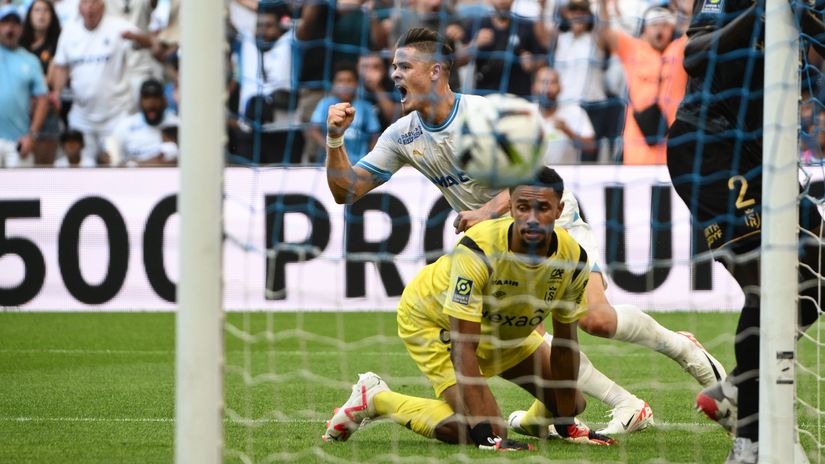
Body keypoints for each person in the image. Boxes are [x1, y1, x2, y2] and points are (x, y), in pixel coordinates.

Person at [325, 27, 723, 435]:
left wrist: (487, 209)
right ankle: (601, 410)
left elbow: (533, 173)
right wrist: (335, 139)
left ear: (435, 72)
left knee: (596, 320)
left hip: (550, 221)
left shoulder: (482, 115)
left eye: (404, 66)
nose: (394, 74)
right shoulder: (403, 135)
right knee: (533, 340)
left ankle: (682, 350)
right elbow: (347, 191)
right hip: (500, 247)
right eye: (393, 66)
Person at [323, 167, 615, 448]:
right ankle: (376, 398)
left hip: (503, 328)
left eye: (543, 208)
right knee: (483, 430)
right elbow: (463, 346)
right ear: (511, 208)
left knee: (571, 403)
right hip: (434, 320)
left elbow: (566, 344)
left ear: (559, 210)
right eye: (523, 207)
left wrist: (567, 423)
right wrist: (486, 434)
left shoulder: (573, 260)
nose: (532, 219)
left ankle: (529, 423)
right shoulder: (479, 250)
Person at [667, 2, 824, 462]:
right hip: (709, 144)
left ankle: (735, 389)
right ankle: (750, 443)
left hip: (766, 155)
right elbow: (696, 55)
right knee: (770, 285)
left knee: (815, 274)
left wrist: (807, 17)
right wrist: (763, 8)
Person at [51, 0, 144, 166]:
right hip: (82, 117)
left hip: (115, 117)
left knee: (115, 163)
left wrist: (137, 38)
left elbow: (145, 42)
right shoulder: (69, 32)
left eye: (94, 3)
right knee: (81, 167)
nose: (89, 8)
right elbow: (61, 66)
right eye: (85, 3)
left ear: (102, 6)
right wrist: (57, 92)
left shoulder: (118, 26)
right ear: (79, 7)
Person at [597, 0, 688, 165]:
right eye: (654, 24)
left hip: (673, 151)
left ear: (672, 28)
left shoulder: (680, 49)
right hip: (637, 151)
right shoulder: (634, 49)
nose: (659, 29)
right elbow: (605, 33)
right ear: (645, 28)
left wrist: (681, 8)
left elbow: (694, 29)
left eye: (665, 24)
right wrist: (602, 4)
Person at [0, 5, 48, 168]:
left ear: (21, 29)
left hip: (18, 142)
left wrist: (32, 136)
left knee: (20, 192)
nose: (9, 28)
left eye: (14, 24)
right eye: (5, 23)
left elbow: (42, 99)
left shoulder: (30, 60)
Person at [309, 62, 382, 165]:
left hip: (358, 164)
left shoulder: (366, 107)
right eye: (340, 81)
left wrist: (369, 158)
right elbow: (314, 130)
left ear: (356, 84)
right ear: (333, 84)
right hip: (330, 163)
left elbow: (374, 135)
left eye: (349, 80)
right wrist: (331, 147)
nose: (345, 85)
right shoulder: (325, 104)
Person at [20, 0, 62, 165]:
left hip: (46, 109)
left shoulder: (57, 44)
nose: (41, 15)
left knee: (44, 168)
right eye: (37, 10)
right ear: (29, 16)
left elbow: (47, 80)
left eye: (46, 11)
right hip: (22, 109)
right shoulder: (19, 45)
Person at [108, 78, 179, 166]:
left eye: (155, 97)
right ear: (140, 101)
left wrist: (134, 164)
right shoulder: (126, 125)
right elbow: (111, 158)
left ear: (164, 100)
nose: (151, 103)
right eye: (146, 97)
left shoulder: (175, 124)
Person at [533, 65, 596, 164]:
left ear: (560, 87)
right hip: (533, 175)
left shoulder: (575, 112)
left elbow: (591, 147)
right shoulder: (526, 112)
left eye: (552, 82)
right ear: (534, 86)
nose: (547, 88)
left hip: (566, 176)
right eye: (543, 82)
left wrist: (566, 130)